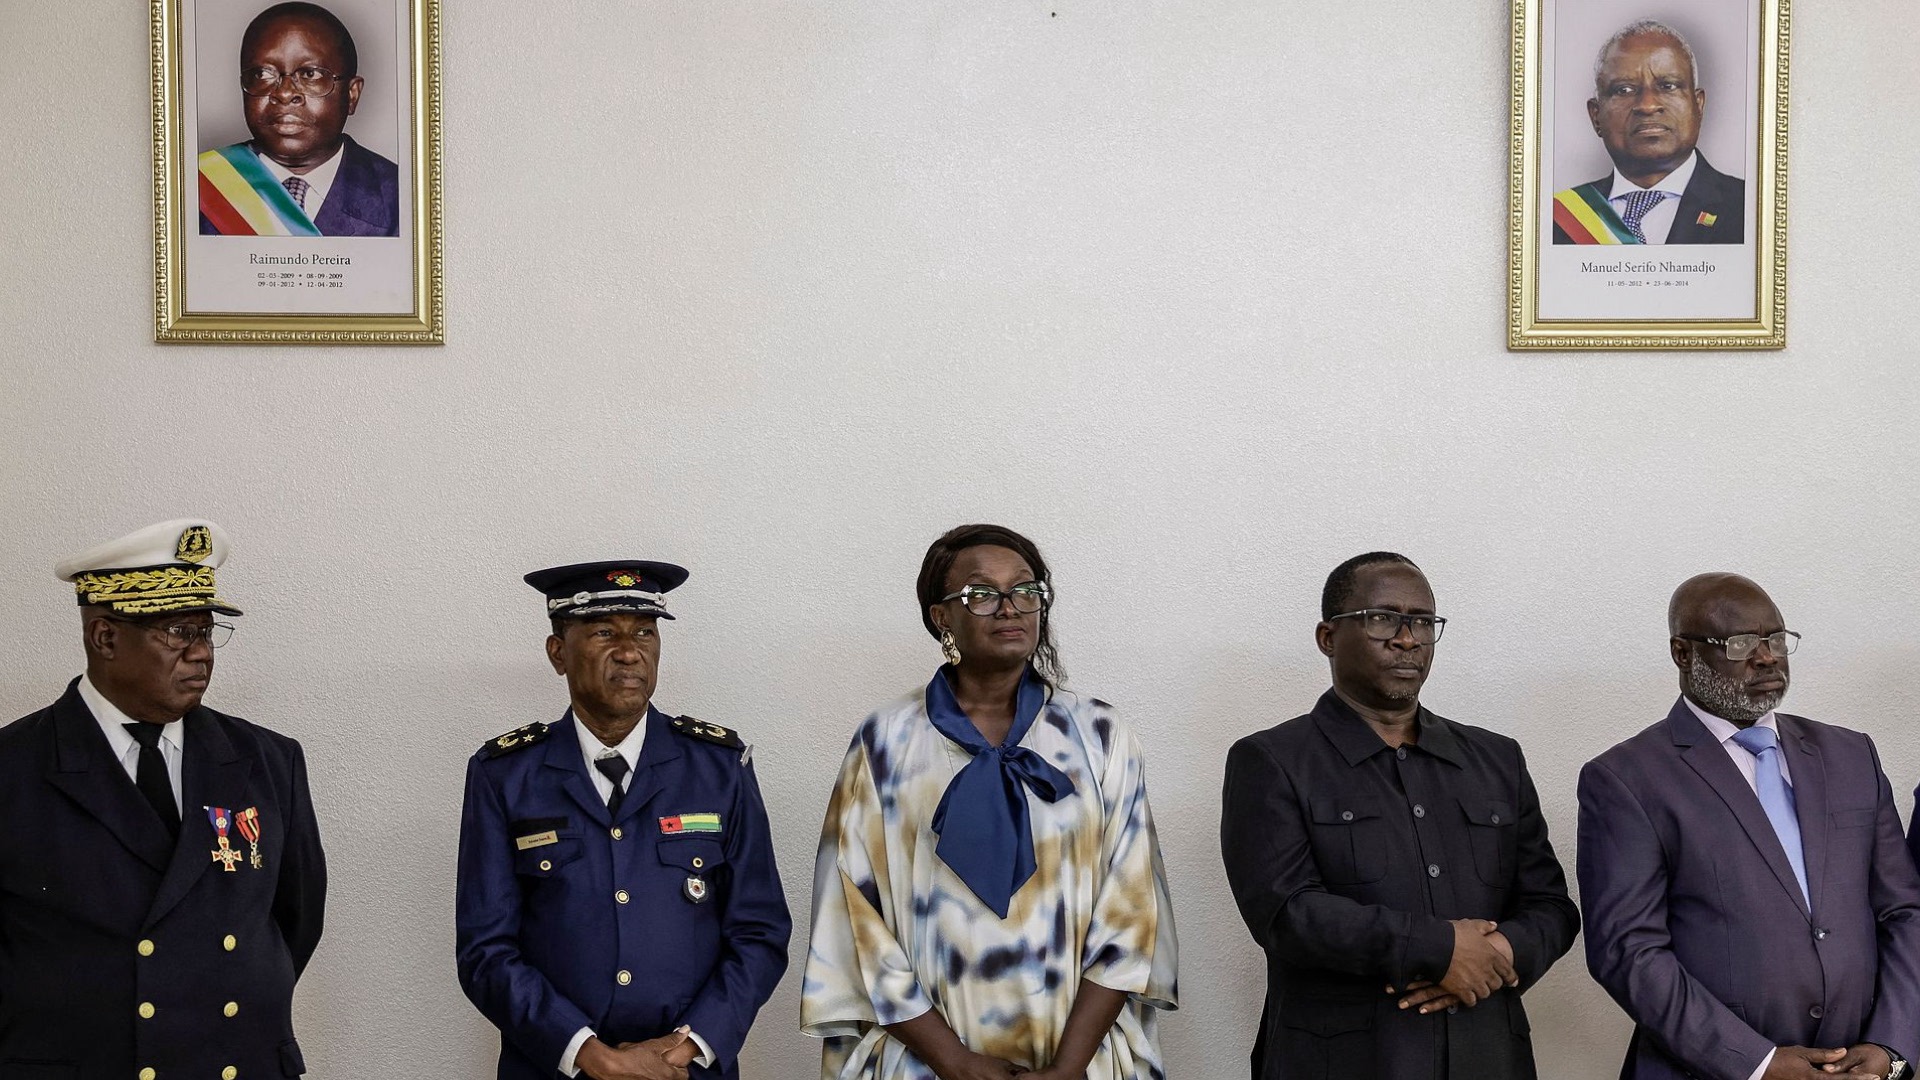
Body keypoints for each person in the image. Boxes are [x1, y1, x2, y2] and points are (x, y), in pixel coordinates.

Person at [801, 524, 1178, 1080]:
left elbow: (1132, 909)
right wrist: (952, 1060)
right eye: (982, 593)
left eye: (1026, 591)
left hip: (1080, 1059)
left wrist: (1068, 1068)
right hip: (923, 1062)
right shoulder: (884, 741)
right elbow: (852, 916)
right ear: (941, 617)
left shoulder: (1100, 734)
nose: (1010, 608)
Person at [1220, 552, 1578, 1080]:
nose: (1407, 639)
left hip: (1489, 1057)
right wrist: (1439, 949)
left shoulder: (1497, 759)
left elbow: (1552, 906)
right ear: (1327, 637)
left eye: (1423, 622)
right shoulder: (1271, 761)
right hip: (1342, 1062)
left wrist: (1498, 950)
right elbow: (1286, 914)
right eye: (1382, 618)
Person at [0, 518, 328, 1078]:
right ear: (105, 637)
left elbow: (294, 921)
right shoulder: (14, 768)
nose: (202, 655)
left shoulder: (269, 761)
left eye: (208, 631)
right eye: (180, 632)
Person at [456, 560, 790, 1080]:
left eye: (645, 633)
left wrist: (687, 1045)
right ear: (558, 653)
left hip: (686, 1071)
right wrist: (590, 1053)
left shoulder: (719, 768)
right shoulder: (505, 775)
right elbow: (485, 950)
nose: (630, 651)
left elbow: (760, 932)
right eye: (605, 633)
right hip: (554, 1068)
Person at [1579, 573, 1920, 1080]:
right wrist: (1756, 1063)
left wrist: (1892, 1045)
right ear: (1682, 652)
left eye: (1776, 639)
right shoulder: (1626, 779)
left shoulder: (1852, 755)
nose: (1767, 657)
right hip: (1708, 1070)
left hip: (1859, 1065)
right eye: (1740, 643)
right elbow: (1628, 951)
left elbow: (1905, 911)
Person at [199, 1, 400, 237]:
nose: (284, 93)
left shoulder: (402, 197)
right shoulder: (195, 186)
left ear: (351, 94)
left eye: (310, 74)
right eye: (262, 74)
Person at [1552, 19, 1744, 245]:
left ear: (1698, 105)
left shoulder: (1750, 207)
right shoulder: (1555, 220)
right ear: (1596, 116)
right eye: (1624, 89)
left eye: (1668, 86)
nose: (1647, 105)